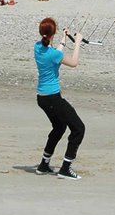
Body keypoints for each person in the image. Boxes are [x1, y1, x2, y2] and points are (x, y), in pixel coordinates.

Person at [34, 17, 85, 179]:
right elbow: (73, 62)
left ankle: (43, 165)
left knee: (59, 127)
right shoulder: (52, 54)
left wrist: (64, 38)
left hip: (42, 99)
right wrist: (77, 42)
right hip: (53, 99)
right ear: (52, 33)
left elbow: (55, 52)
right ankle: (65, 168)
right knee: (78, 128)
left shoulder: (37, 47)